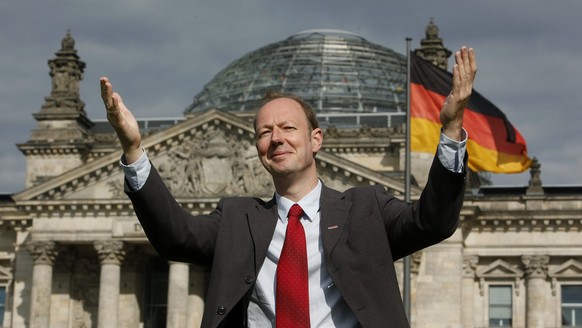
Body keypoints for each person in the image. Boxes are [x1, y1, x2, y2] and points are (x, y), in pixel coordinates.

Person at [100, 47, 477, 328]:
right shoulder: (236, 218)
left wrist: (450, 129)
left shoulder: (366, 208)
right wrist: (133, 149)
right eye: (265, 132)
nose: (276, 139)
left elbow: (434, 222)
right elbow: (174, 238)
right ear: (258, 150)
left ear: (316, 140)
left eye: (288, 128)